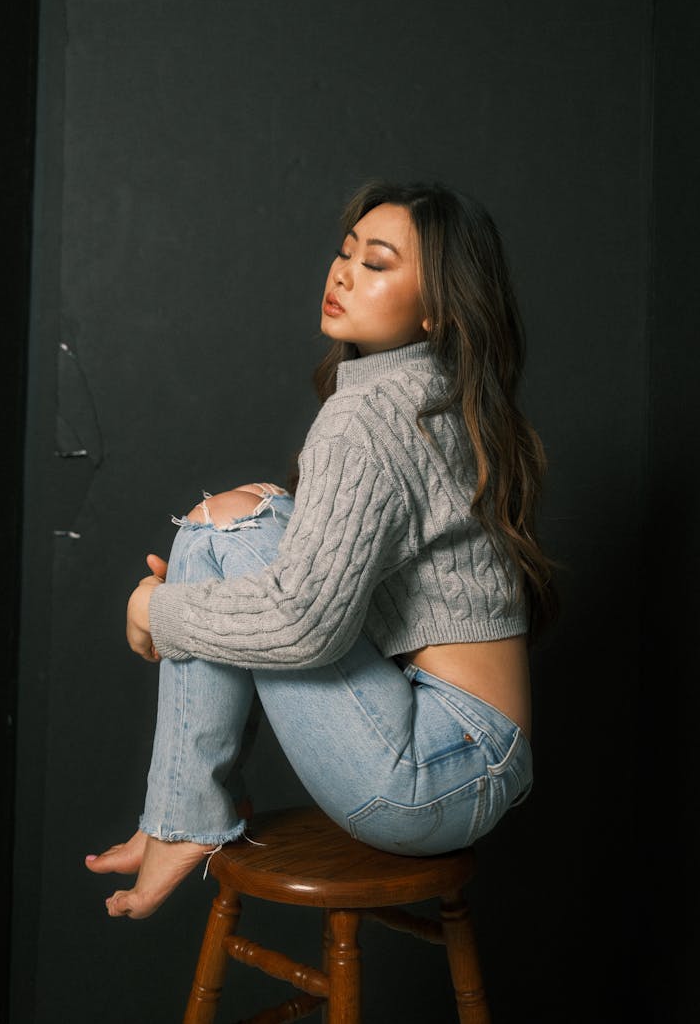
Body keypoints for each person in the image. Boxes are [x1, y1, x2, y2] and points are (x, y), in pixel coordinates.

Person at [85, 179, 556, 919]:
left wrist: (158, 609)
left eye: (375, 263)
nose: (341, 273)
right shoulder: (437, 392)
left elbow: (306, 621)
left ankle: (182, 818)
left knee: (219, 532)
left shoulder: (367, 414)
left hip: (426, 774)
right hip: (482, 759)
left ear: (436, 307)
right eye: (344, 254)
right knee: (232, 515)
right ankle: (180, 815)